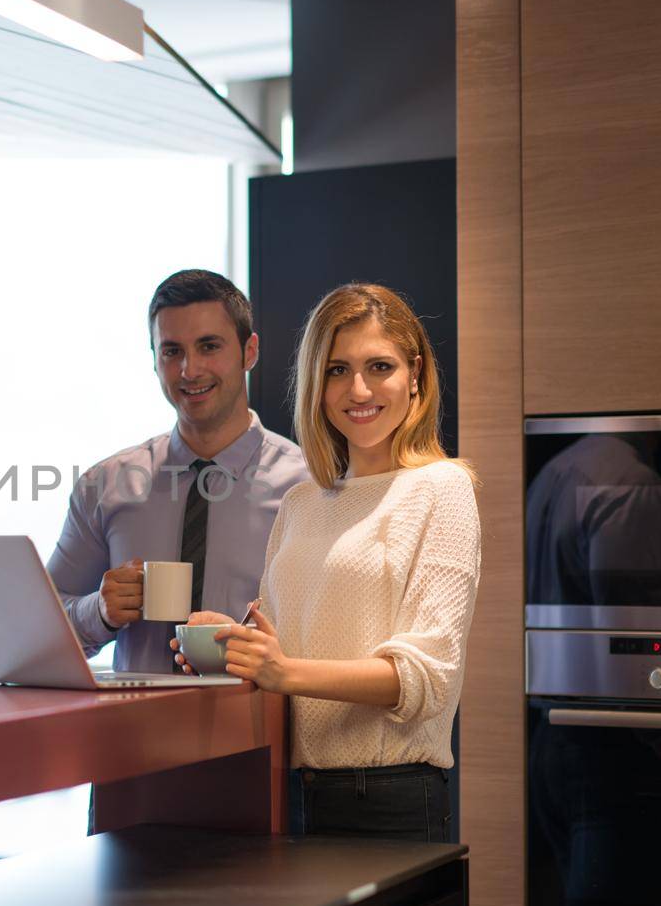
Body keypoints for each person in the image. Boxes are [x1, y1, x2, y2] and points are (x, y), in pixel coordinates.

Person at [174, 282, 480, 842]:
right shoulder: (302, 501)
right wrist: (235, 644)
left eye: (379, 366)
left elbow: (426, 678)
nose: (357, 389)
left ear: (415, 374)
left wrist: (284, 671)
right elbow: (285, 647)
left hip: (389, 797)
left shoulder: (442, 489)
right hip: (286, 791)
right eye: (337, 370)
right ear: (316, 383)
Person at [47, 270, 309, 674]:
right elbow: (42, 631)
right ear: (154, 360)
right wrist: (96, 611)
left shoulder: (308, 488)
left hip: (260, 731)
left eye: (209, 346)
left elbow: (333, 634)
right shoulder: (105, 487)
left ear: (250, 351)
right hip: (134, 734)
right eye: (172, 351)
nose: (190, 369)